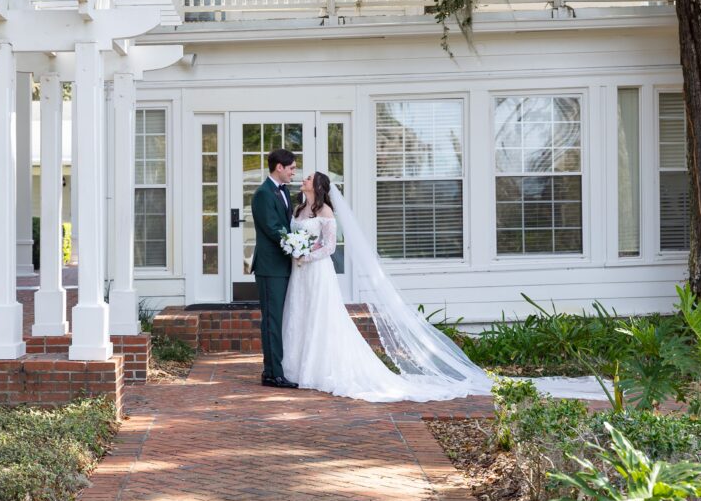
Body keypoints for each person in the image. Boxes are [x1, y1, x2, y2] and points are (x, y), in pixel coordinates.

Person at [280, 171, 606, 403]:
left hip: (316, 271)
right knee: (300, 316)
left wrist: (306, 255)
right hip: (300, 274)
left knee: (323, 319)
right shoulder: (299, 209)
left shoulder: (325, 211)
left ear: (319, 186)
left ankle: (319, 369)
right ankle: (296, 366)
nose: (304, 179)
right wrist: (295, 250)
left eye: (309, 177)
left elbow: (330, 247)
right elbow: (299, 235)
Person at [249, 148, 299, 389]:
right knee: (272, 320)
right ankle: (272, 373)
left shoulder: (285, 191)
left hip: (285, 265)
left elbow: (286, 223)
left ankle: (277, 369)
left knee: (281, 319)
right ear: (279, 167)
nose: (293, 172)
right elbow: (273, 228)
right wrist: (296, 246)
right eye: (291, 168)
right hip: (270, 267)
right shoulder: (263, 194)